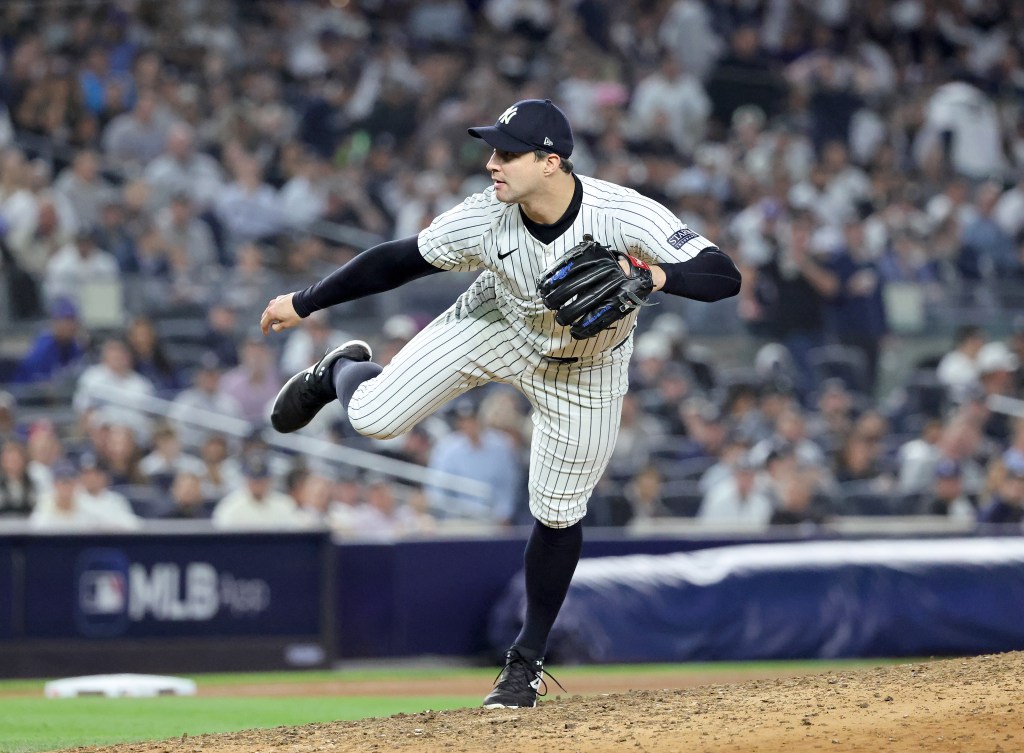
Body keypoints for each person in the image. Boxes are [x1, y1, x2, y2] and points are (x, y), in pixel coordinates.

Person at [259, 98, 740, 708]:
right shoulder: (485, 216)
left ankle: (526, 663)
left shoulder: (623, 214)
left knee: (560, 513)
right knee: (373, 418)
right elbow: (397, 261)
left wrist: (655, 276)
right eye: (492, 149)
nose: (492, 163)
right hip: (496, 324)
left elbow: (724, 275)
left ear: (551, 162)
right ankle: (343, 370)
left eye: (507, 153)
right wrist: (305, 302)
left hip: (586, 371)